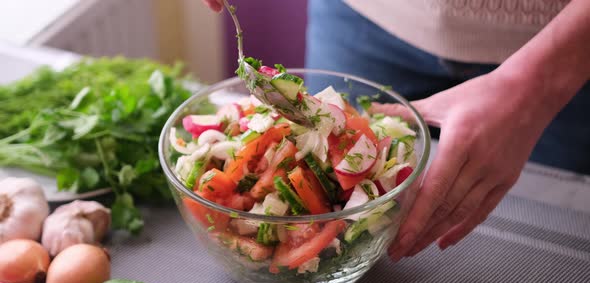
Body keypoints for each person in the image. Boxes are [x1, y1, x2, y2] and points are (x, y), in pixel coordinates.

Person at [201, 0, 590, 260]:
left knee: (554, 236)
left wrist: (539, 84)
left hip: (563, 46)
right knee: (338, 223)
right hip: (360, 19)